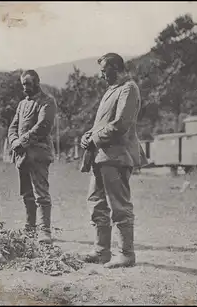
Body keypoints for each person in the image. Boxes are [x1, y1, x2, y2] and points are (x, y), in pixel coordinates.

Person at [79, 53, 148, 268]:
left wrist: (94, 139)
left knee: (119, 205)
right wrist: (88, 135)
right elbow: (103, 123)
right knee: (97, 203)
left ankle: (126, 254)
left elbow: (121, 124)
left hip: (117, 157)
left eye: (104, 70)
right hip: (102, 156)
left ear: (116, 68)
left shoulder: (128, 88)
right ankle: (102, 251)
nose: (101, 75)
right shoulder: (112, 91)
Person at [8, 70, 57, 243]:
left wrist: (22, 141)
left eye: (28, 83)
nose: (25, 87)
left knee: (41, 194)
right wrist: (14, 141)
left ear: (37, 82)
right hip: (22, 156)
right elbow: (12, 127)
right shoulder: (21, 104)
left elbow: (43, 126)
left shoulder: (47, 102)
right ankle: (30, 228)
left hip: (39, 154)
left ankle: (45, 231)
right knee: (26, 194)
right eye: (23, 84)